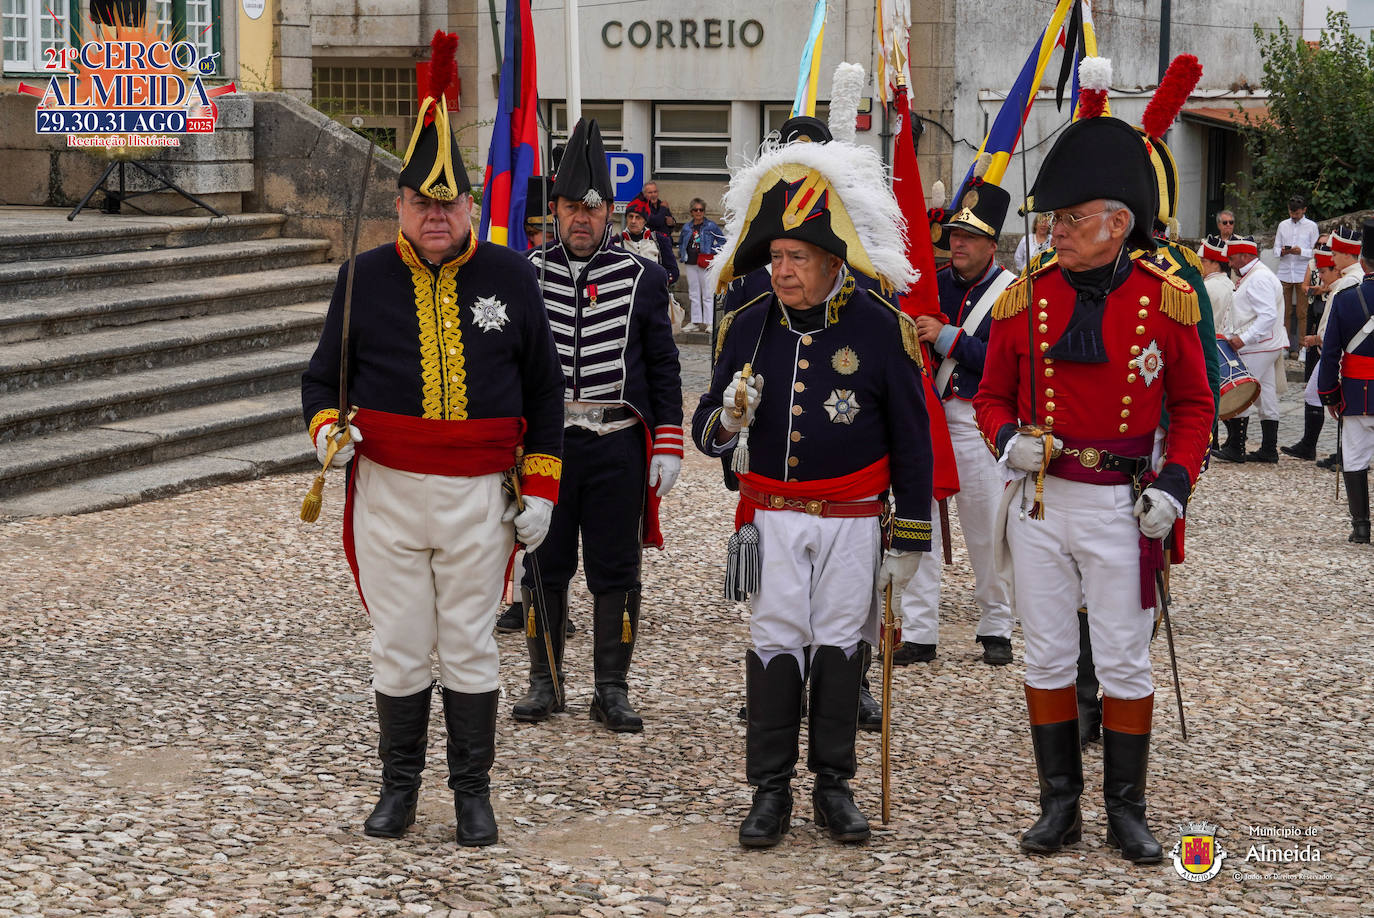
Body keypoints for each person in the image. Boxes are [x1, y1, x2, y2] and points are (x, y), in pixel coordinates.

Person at [300, 40, 564, 848]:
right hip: (387, 490)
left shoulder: (515, 278)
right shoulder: (363, 278)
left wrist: (543, 486)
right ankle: (399, 789)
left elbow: (545, 390)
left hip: (479, 493)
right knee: (402, 643)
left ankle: (473, 795)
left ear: (471, 206)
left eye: (450, 204)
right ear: (402, 204)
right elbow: (321, 382)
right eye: (423, 203)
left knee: (470, 642)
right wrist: (328, 435)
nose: (437, 217)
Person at [974, 111, 1213, 864]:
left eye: (1073, 220)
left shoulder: (1164, 300)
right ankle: (1059, 809)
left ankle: (1127, 812)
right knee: (1045, 655)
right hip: (1042, 501)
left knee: (1121, 660)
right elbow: (989, 396)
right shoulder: (1024, 300)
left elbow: (1197, 405)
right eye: (1055, 220)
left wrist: (1175, 484)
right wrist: (1007, 440)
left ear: (1118, 223)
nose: (1056, 233)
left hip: (1122, 506)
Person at [692, 106, 933, 850]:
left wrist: (912, 535)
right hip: (771, 515)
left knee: (838, 645)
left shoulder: (881, 327)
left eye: (798, 256)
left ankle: (834, 786)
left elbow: (913, 439)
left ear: (834, 259)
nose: (783, 270)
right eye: (777, 256)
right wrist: (730, 419)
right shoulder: (746, 324)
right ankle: (769, 790)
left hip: (856, 518)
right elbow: (706, 432)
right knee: (774, 642)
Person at [515, 117, 684, 734]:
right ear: (554, 210)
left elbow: (664, 369)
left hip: (616, 446)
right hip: (551, 447)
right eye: (568, 208)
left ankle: (612, 687)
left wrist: (667, 443)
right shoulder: (526, 275)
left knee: (616, 570)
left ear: (609, 212)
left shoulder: (646, 277)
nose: (580, 219)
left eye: (592, 208)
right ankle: (545, 681)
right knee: (544, 564)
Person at [896, 179, 1015, 666]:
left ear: (992, 244)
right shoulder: (933, 281)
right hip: (926, 417)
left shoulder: (1013, 294)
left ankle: (996, 625)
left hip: (974, 421)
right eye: (954, 234)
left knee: (986, 529)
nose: (957, 243)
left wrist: (949, 338)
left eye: (970, 236)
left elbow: (1011, 365)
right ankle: (920, 630)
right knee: (916, 523)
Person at [1317, 218, 1374, 543]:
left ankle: (1361, 527)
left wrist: (1329, 394)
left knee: (1354, 457)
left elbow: (1331, 354)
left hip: (1359, 392)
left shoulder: (1347, 298)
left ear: (1363, 261)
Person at [1214, 235, 1288, 463]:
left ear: (1246, 255)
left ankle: (1236, 448)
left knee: (1241, 389)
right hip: (1265, 344)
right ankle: (1268, 449)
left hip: (1258, 345)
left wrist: (1244, 338)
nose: (1229, 261)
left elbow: (1267, 316)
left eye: (1233, 257)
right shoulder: (1255, 274)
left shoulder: (1259, 278)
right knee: (1266, 394)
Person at [1283, 242, 1343, 460]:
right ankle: (1310, 444)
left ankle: (1342, 452)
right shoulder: (1337, 288)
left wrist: (1318, 338)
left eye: (1324, 272)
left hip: (1334, 350)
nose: (1321, 277)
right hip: (1324, 346)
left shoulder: (1342, 289)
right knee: (1312, 392)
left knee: (1336, 397)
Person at [1274, 194, 1319, 353]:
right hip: (1284, 272)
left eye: (1297, 213)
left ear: (1304, 210)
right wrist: (1283, 252)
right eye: (1291, 213)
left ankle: (1302, 348)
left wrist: (1301, 251)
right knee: (1284, 311)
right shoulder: (1282, 225)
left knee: (1302, 312)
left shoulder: (1312, 226)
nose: (1294, 216)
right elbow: (1275, 249)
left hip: (1302, 274)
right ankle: (1284, 346)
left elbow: (1316, 251)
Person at [679, 199, 726, 332]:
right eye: (695, 210)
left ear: (704, 211)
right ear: (691, 212)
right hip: (690, 262)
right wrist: (683, 253)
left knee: (707, 293)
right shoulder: (687, 227)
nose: (698, 212)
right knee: (693, 293)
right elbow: (682, 241)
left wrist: (712, 251)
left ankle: (709, 322)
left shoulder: (710, 225)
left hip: (704, 262)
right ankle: (695, 321)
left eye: (701, 210)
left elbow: (722, 240)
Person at [619, 199, 680, 285]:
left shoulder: (660, 240)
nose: (633, 221)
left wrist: (655, 280)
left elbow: (673, 272)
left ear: (645, 220)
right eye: (630, 216)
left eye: (638, 217)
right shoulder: (616, 242)